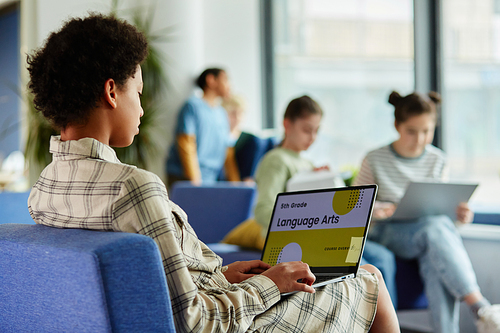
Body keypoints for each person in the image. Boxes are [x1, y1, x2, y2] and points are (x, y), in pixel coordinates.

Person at [26, 14, 400, 333]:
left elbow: (151, 284)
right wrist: (269, 286)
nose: (141, 108)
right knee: (369, 278)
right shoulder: (132, 187)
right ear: (111, 91)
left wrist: (221, 276)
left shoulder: (44, 188)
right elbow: (192, 321)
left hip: (196, 300)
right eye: (137, 93)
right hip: (227, 323)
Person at [223, 95, 398, 307]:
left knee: (383, 257)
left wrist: (318, 180)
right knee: (364, 267)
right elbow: (263, 210)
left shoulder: (306, 163)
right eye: (307, 130)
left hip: (319, 232)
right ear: (287, 124)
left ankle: (386, 319)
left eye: (317, 131)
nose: (312, 137)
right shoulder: (276, 160)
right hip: (296, 236)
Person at [353, 90, 500, 333]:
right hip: (386, 233)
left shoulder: (437, 159)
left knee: (435, 249)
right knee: (434, 230)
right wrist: (380, 209)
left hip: (426, 234)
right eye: (412, 131)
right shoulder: (375, 159)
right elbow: (355, 210)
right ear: (397, 125)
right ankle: (480, 307)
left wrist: (459, 217)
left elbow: (442, 214)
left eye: (426, 131)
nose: (420, 139)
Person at [166, 68, 240, 188]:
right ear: (211, 80)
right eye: (226, 79)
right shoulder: (192, 106)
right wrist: (195, 181)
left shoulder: (221, 113)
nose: (229, 85)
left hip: (210, 179)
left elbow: (227, 151)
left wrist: (236, 185)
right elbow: (186, 143)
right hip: (185, 177)